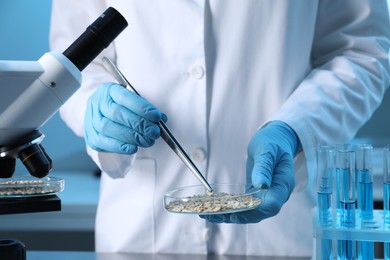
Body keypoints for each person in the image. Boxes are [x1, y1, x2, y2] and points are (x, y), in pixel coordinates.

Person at [50, 0, 390, 256]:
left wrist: (294, 129)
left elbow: (361, 53)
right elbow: (76, 62)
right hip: (139, 230)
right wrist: (94, 107)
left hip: (276, 236)